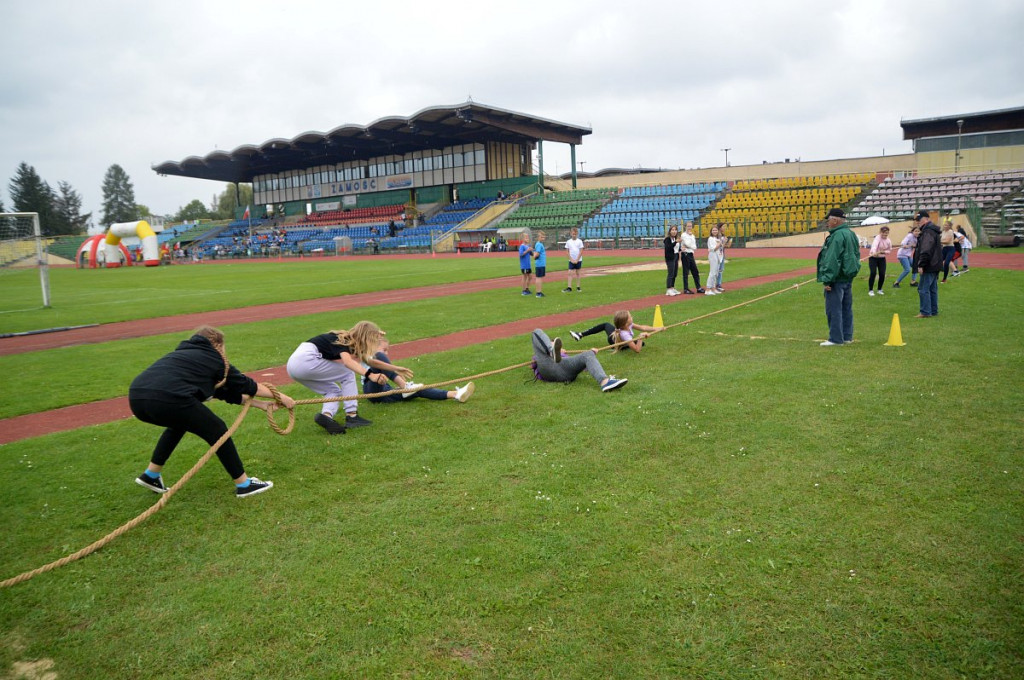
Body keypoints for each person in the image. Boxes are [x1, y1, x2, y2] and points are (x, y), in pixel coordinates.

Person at [129, 326, 294, 498]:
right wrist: (281, 396)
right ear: (218, 344)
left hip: (136, 398)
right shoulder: (214, 358)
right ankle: (244, 484)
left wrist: (261, 405)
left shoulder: (185, 355)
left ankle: (151, 475)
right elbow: (246, 385)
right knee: (217, 429)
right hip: (169, 398)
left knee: (178, 424)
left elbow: (222, 392)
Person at [286, 321, 412, 434]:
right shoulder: (342, 340)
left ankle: (326, 416)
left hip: (293, 367)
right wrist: (371, 375)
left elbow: (370, 361)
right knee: (348, 372)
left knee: (332, 391)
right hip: (306, 361)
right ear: (364, 337)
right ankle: (352, 416)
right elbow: (348, 362)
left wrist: (394, 368)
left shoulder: (347, 341)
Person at [363, 337, 475, 404]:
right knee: (379, 356)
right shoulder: (368, 356)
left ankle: (456, 394)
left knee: (417, 389)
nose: (386, 353)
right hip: (371, 390)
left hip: (386, 393)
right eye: (384, 350)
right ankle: (405, 387)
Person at [815, 208, 861, 346]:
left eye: (828, 220)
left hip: (836, 278)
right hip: (847, 276)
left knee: (834, 309)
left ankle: (835, 338)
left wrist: (827, 279)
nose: (828, 223)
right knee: (846, 308)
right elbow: (855, 256)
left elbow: (832, 259)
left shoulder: (837, 236)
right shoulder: (851, 234)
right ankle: (847, 336)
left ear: (835, 220)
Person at [530, 329, 627, 392]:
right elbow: (535, 365)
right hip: (549, 368)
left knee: (587, 354)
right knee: (537, 332)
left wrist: (590, 354)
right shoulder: (539, 355)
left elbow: (584, 366)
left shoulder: (564, 356)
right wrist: (535, 363)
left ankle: (605, 382)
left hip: (564, 369)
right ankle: (551, 352)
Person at [569, 310, 655, 353]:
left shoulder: (628, 325)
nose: (632, 317)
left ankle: (580, 335)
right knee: (639, 343)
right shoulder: (625, 335)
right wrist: (640, 337)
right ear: (625, 323)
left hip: (621, 337)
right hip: (612, 339)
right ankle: (580, 335)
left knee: (606, 324)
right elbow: (637, 350)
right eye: (630, 317)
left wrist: (657, 328)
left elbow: (643, 327)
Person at [913, 210, 943, 318]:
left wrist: (921, 264)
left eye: (919, 220)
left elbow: (926, 249)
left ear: (926, 219)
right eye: (916, 220)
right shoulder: (932, 230)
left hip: (929, 265)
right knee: (932, 289)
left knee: (923, 288)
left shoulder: (927, 232)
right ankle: (933, 310)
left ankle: (925, 312)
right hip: (935, 264)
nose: (917, 222)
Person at [679, 222, 706, 294]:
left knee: (695, 271)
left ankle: (698, 287)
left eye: (690, 226)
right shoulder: (683, 235)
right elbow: (687, 244)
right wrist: (690, 244)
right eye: (688, 226)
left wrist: (690, 244)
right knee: (686, 272)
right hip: (685, 254)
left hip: (691, 254)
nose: (689, 227)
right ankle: (686, 289)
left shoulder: (692, 235)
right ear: (685, 227)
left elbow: (694, 247)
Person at [867, 225, 892, 296]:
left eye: (886, 233)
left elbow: (889, 250)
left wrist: (884, 252)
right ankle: (870, 290)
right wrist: (874, 252)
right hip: (873, 258)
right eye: (883, 232)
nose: (885, 234)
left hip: (882, 259)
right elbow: (874, 246)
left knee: (882, 274)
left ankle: (879, 289)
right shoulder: (877, 238)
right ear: (880, 232)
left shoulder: (888, 241)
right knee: (873, 273)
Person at [705, 224, 725, 295]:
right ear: (711, 231)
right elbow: (713, 249)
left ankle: (713, 288)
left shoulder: (718, 239)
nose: (715, 231)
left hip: (719, 256)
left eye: (716, 230)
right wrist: (719, 244)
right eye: (713, 230)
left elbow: (721, 247)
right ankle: (707, 289)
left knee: (716, 273)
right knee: (712, 273)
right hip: (713, 256)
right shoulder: (710, 239)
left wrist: (722, 243)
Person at [563, 227, 584, 292]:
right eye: (573, 234)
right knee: (570, 272)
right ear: (571, 234)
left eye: (575, 234)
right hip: (571, 260)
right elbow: (567, 251)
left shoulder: (579, 241)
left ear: (577, 234)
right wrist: (571, 259)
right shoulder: (568, 242)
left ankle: (578, 287)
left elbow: (581, 251)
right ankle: (569, 287)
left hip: (578, 260)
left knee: (578, 273)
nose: (574, 235)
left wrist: (577, 259)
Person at [663, 224, 681, 295]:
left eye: (675, 230)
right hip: (670, 258)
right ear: (670, 231)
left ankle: (672, 287)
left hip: (676, 256)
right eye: (672, 230)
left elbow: (676, 248)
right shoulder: (667, 239)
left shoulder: (675, 239)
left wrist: (681, 249)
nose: (674, 231)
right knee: (670, 273)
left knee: (675, 273)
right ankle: (668, 288)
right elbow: (669, 247)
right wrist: (676, 242)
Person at [532, 231, 548, 297]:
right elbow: (537, 253)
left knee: (540, 278)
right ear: (538, 237)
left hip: (541, 264)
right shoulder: (539, 244)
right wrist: (534, 256)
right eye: (541, 237)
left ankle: (539, 292)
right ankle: (538, 292)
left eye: (544, 237)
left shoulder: (539, 244)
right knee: (538, 278)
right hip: (540, 264)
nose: (543, 238)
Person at [715, 226, 731, 292]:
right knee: (717, 270)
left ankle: (718, 284)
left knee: (721, 270)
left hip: (722, 254)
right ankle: (717, 285)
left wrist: (728, 243)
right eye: (723, 226)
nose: (724, 228)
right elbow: (719, 246)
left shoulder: (723, 236)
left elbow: (725, 246)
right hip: (717, 254)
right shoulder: (717, 237)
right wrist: (724, 242)